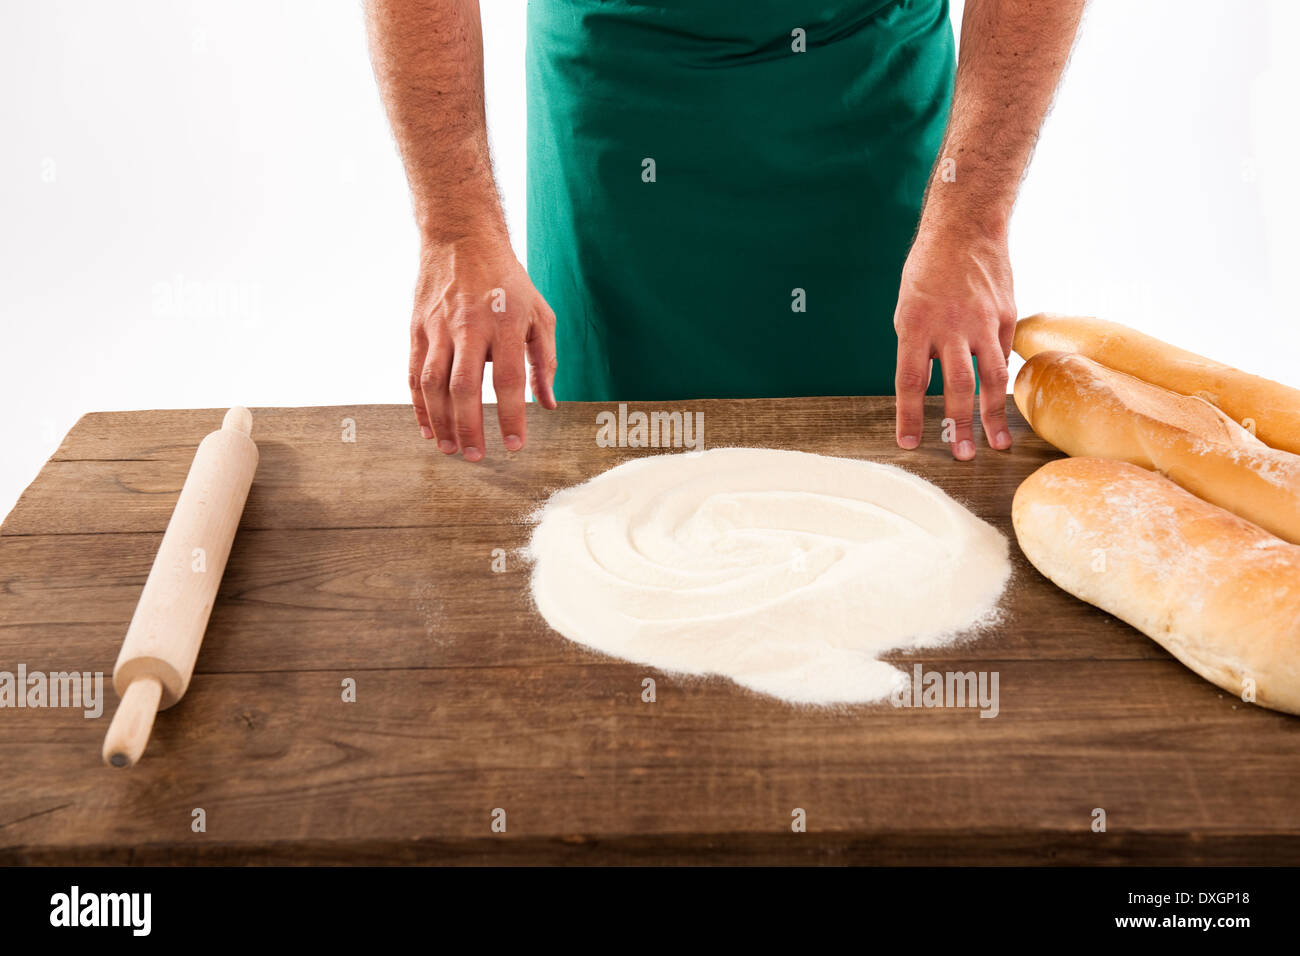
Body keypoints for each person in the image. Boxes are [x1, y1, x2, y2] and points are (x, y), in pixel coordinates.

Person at [366, 0, 1085, 462]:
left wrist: (973, 222)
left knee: (899, 495)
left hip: (870, 111)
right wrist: (457, 229)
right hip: (616, 113)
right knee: (613, 495)